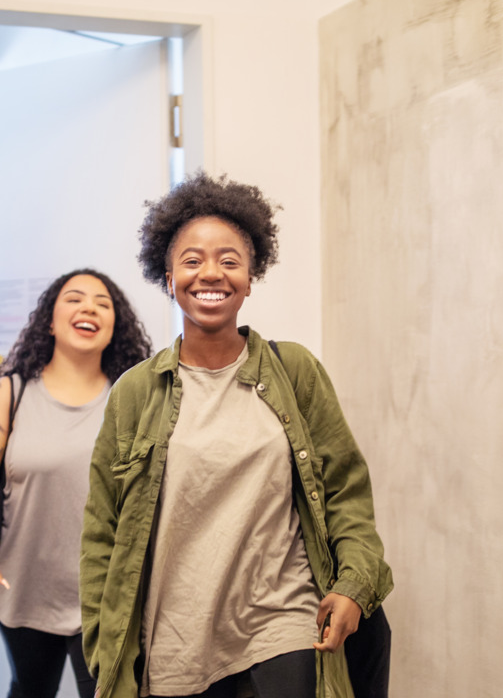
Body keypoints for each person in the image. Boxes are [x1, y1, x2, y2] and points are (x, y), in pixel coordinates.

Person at [80, 173, 394, 698]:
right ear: (168, 274)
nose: (211, 274)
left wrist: (353, 586)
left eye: (230, 261)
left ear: (250, 278)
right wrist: (102, 644)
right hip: (176, 642)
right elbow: (101, 533)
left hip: (283, 624)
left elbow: (346, 493)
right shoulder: (136, 393)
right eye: (192, 260)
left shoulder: (295, 372)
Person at [0, 268, 152, 698]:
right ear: (49, 319)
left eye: (103, 304)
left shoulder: (132, 398)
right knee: (29, 690)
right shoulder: (11, 392)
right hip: (23, 586)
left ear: (114, 326)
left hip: (106, 594)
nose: (89, 308)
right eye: (75, 299)